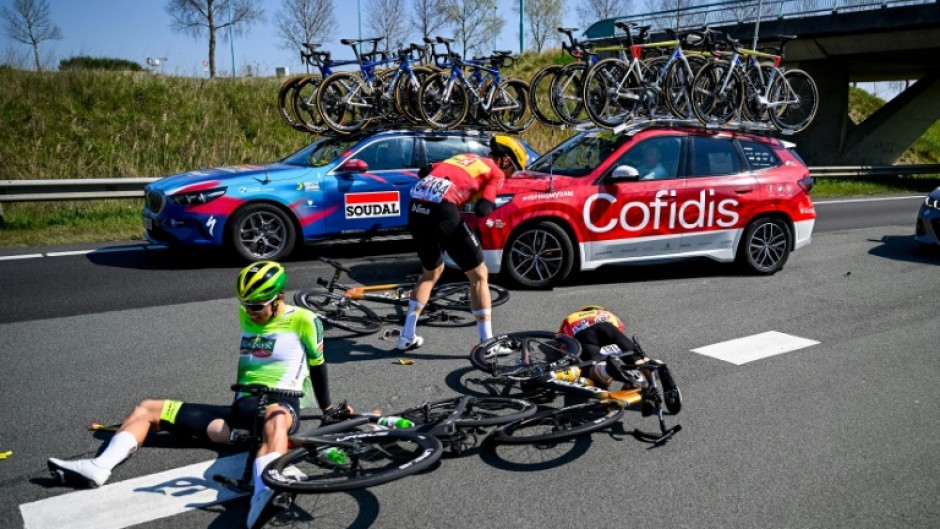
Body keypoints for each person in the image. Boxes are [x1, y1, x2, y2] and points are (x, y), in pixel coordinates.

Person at [47, 261, 350, 529]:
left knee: (275, 419)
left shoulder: (305, 320)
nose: (250, 312)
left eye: (257, 306)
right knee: (147, 408)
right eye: (244, 305)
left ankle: (264, 491)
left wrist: (327, 408)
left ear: (280, 297)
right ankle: (98, 468)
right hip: (237, 414)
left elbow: (317, 367)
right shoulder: (248, 316)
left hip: (280, 405)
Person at [395, 135, 527, 351]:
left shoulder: (465, 157)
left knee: (431, 272)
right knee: (479, 275)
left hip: (416, 208)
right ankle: (487, 344)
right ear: (506, 161)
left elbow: (425, 170)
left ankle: (406, 336)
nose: (511, 175)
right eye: (514, 170)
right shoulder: (496, 171)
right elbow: (483, 209)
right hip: (442, 210)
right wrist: (482, 200)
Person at [558, 305, 681, 415]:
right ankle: (659, 368)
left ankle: (608, 369)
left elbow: (563, 343)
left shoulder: (570, 319)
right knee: (640, 362)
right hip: (608, 329)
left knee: (597, 370)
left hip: (583, 335)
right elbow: (620, 329)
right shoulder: (607, 315)